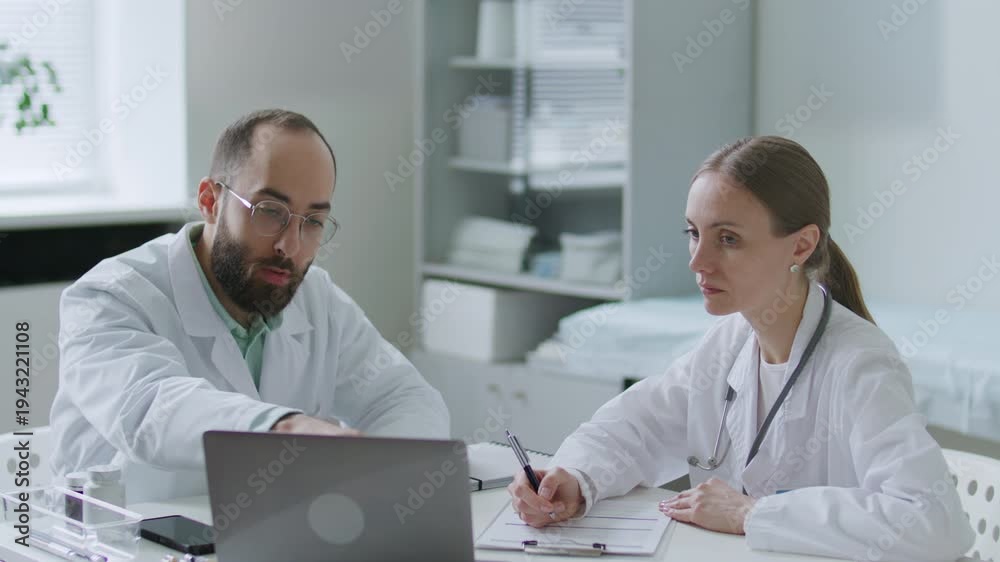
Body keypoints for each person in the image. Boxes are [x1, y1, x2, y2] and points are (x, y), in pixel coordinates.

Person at [507, 136, 974, 561]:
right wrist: (574, 477)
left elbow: (934, 523)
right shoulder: (728, 343)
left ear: (801, 246)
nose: (698, 261)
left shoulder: (860, 364)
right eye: (694, 233)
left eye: (727, 239)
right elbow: (634, 428)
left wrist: (751, 513)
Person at [50, 109, 449, 502]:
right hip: (121, 529)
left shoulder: (317, 299)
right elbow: (150, 409)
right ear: (210, 200)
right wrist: (285, 429)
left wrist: (383, 476)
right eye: (270, 212)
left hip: (262, 528)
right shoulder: (109, 296)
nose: (290, 245)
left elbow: (404, 397)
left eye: (313, 221)